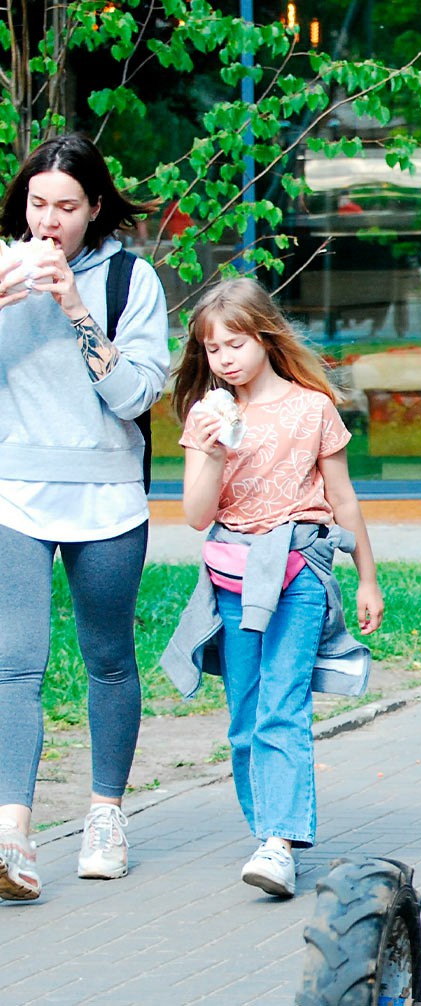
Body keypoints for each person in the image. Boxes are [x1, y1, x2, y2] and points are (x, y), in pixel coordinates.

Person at [163, 278, 383, 898]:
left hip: (299, 571)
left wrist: (367, 577)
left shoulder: (311, 407)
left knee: (282, 707)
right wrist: (209, 449)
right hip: (232, 574)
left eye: (234, 343)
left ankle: (280, 842)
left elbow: (343, 499)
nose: (224, 358)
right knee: (243, 719)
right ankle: (267, 829)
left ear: (264, 336)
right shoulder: (207, 414)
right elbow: (196, 515)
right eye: (212, 349)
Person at [0, 134, 170, 900]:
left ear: (94, 209)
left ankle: (106, 814)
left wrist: (73, 305)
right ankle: (13, 835)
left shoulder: (130, 281)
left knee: (107, 657)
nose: (49, 222)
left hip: (106, 494)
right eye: (38, 204)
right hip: (14, 490)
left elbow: (137, 398)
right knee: (14, 661)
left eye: (66, 207)